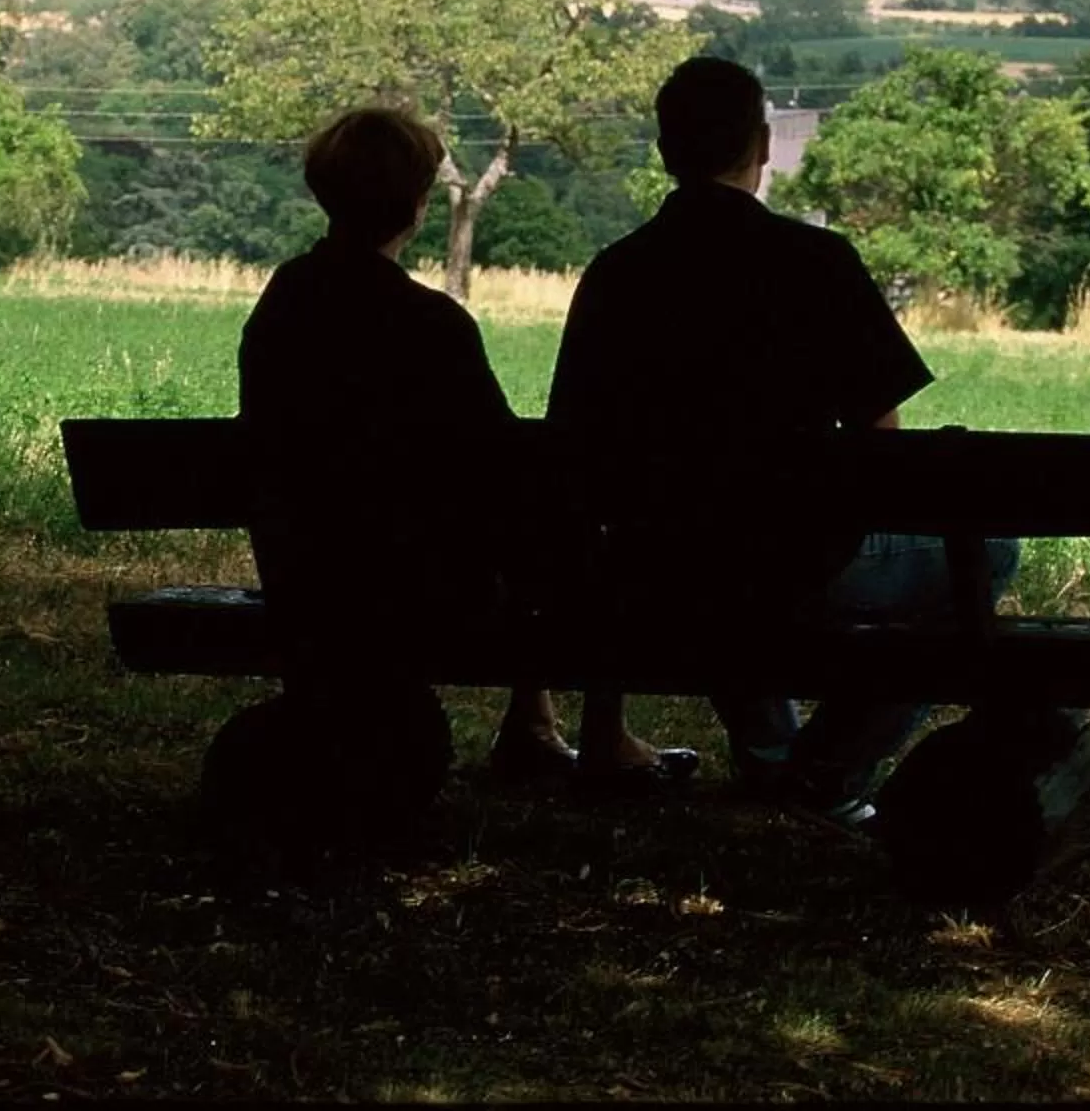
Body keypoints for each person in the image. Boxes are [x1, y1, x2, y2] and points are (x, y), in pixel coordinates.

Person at [547, 55, 1018, 818]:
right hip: (792, 562)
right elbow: (881, 446)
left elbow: (573, 441)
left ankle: (774, 756)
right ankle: (823, 769)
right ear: (762, 146)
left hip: (658, 566)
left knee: (722, 546)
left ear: (664, 151)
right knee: (989, 551)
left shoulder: (616, 272)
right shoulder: (816, 261)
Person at [236, 104, 596, 783]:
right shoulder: (432, 325)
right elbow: (502, 466)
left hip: (303, 572)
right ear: (417, 206)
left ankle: (533, 726)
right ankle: (535, 725)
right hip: (418, 589)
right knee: (540, 528)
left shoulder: (284, 302)